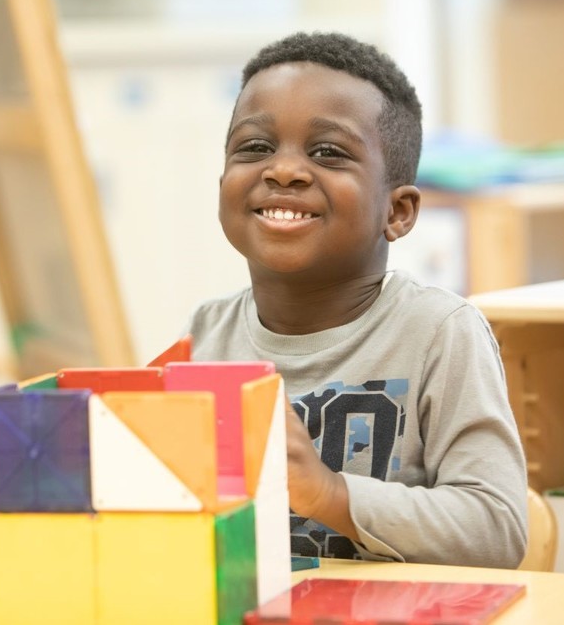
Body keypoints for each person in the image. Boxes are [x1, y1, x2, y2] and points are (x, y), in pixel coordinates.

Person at [185, 32, 528, 568]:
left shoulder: (440, 332)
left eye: (328, 152)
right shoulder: (204, 336)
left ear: (398, 212)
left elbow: (496, 531)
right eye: (254, 147)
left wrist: (329, 494)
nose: (283, 170)